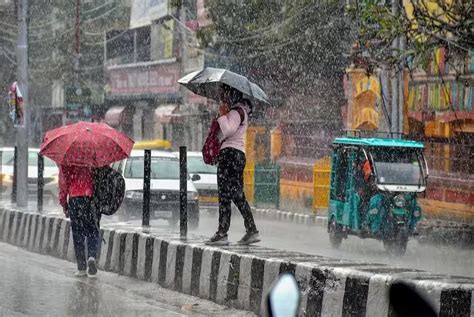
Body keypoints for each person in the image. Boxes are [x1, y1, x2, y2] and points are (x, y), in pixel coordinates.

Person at [205, 84, 260, 245]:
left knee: (227, 194)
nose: (222, 97)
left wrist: (222, 116)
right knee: (234, 194)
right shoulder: (237, 111)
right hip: (234, 155)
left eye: (224, 94)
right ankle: (250, 230)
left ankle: (224, 232)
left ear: (231, 94)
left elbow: (228, 130)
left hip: (230, 154)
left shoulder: (237, 111)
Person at [59, 164, 99, 277]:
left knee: (78, 235)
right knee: (92, 230)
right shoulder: (92, 158)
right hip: (89, 199)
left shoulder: (67, 160)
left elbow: (63, 184)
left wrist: (64, 204)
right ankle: (92, 256)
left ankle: (81, 268)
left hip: (74, 200)